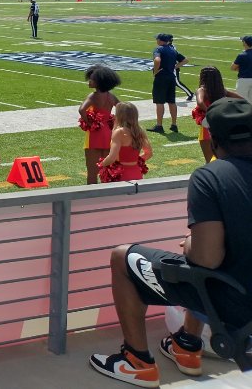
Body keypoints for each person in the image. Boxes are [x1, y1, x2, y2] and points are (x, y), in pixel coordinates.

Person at [88, 98, 252, 386]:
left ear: (214, 138)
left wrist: (190, 242)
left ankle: (137, 361)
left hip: (233, 299)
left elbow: (206, 258)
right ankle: (186, 343)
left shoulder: (211, 176)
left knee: (122, 257)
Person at [79, 65, 122, 185]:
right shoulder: (111, 96)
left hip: (94, 135)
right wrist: (115, 122)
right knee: (107, 169)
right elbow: (122, 108)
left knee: (92, 171)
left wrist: (89, 122)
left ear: (99, 82)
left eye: (92, 79)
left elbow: (82, 110)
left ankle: (91, 197)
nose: (89, 81)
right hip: (108, 133)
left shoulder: (92, 96)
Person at [192, 66, 241, 163]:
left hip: (208, 127)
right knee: (223, 158)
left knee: (209, 161)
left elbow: (200, 102)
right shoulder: (221, 90)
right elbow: (240, 99)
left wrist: (209, 111)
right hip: (222, 125)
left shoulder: (201, 90)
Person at [97, 102, 153, 183]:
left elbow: (112, 157)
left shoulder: (119, 132)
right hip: (136, 173)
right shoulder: (139, 131)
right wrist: (134, 161)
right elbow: (149, 153)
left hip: (121, 175)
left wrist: (101, 165)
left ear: (120, 116)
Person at [152, 33, 186, 133]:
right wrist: (174, 67)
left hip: (161, 77)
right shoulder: (172, 50)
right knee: (171, 101)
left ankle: (159, 125)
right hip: (171, 77)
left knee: (159, 101)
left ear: (160, 40)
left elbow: (157, 60)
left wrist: (155, 71)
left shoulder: (158, 49)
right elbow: (185, 60)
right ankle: (174, 124)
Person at [231, 35, 252, 103]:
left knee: (241, 102)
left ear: (245, 43)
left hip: (244, 81)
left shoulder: (242, 55)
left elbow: (233, 67)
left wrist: (243, 68)